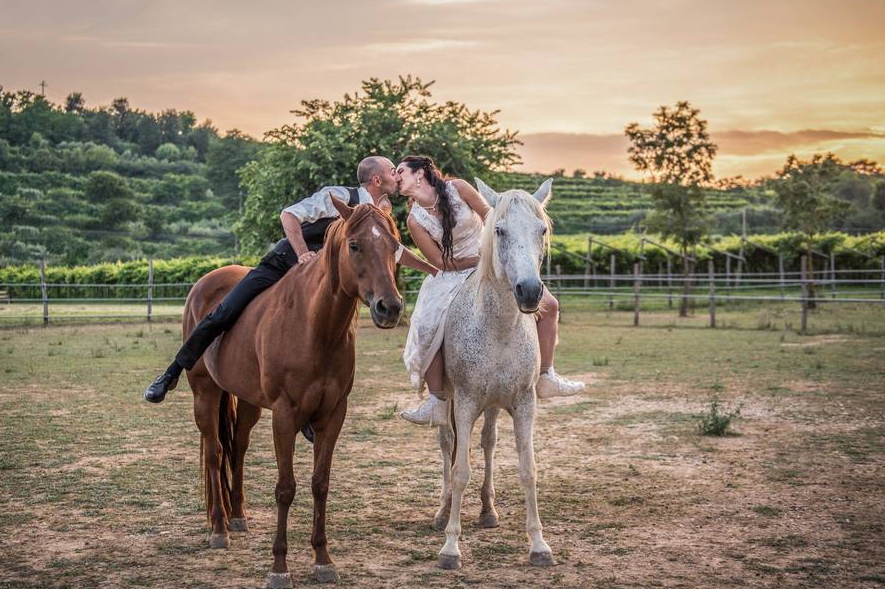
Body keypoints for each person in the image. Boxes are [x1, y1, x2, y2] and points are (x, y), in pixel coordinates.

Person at [143, 156, 438, 409]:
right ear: (376, 179)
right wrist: (302, 254)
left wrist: (433, 268)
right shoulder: (338, 196)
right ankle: (171, 372)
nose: (396, 176)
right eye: (392, 172)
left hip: (316, 284)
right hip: (284, 265)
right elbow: (289, 215)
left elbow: (394, 252)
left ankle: (309, 406)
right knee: (224, 311)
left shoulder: (380, 213)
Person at [397, 156, 585, 427]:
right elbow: (439, 262)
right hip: (452, 274)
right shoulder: (414, 220)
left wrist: (495, 256)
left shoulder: (458, 188)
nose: (396, 176)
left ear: (420, 174)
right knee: (426, 326)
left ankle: (545, 376)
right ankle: (437, 401)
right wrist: (477, 261)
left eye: (400, 171)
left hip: (491, 260)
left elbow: (492, 218)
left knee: (551, 306)